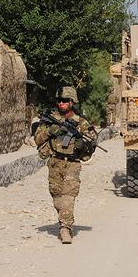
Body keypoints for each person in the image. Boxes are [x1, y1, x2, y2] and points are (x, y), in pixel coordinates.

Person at [33, 86, 98, 244]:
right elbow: (37, 139)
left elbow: (92, 140)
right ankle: (64, 218)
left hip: (72, 163)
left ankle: (65, 228)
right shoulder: (50, 120)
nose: (61, 103)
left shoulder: (80, 122)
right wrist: (50, 132)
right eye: (59, 100)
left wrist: (82, 143)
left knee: (68, 196)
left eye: (65, 101)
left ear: (72, 102)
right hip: (55, 162)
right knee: (56, 197)